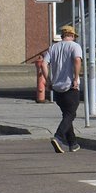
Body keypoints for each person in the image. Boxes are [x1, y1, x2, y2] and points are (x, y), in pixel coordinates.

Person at [37, 22, 84, 152]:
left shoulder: (53, 47)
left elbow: (43, 64)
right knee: (70, 114)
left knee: (66, 115)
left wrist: (49, 81)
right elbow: (77, 61)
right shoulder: (75, 46)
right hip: (70, 86)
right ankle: (58, 137)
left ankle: (73, 143)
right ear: (72, 35)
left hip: (57, 87)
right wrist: (75, 78)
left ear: (63, 35)